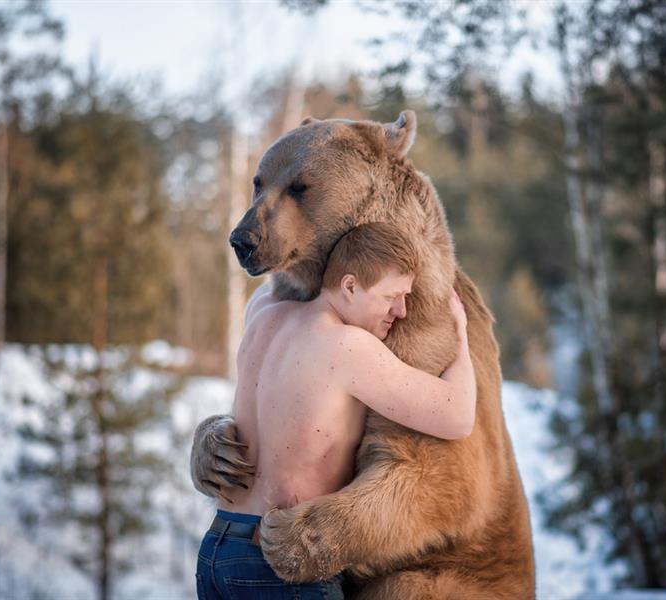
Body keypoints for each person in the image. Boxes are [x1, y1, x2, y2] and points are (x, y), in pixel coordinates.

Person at [195, 222, 476, 600]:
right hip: (281, 561)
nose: (401, 310)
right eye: (391, 296)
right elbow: (457, 416)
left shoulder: (262, 312)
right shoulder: (346, 347)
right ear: (349, 286)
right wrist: (460, 337)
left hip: (219, 546)